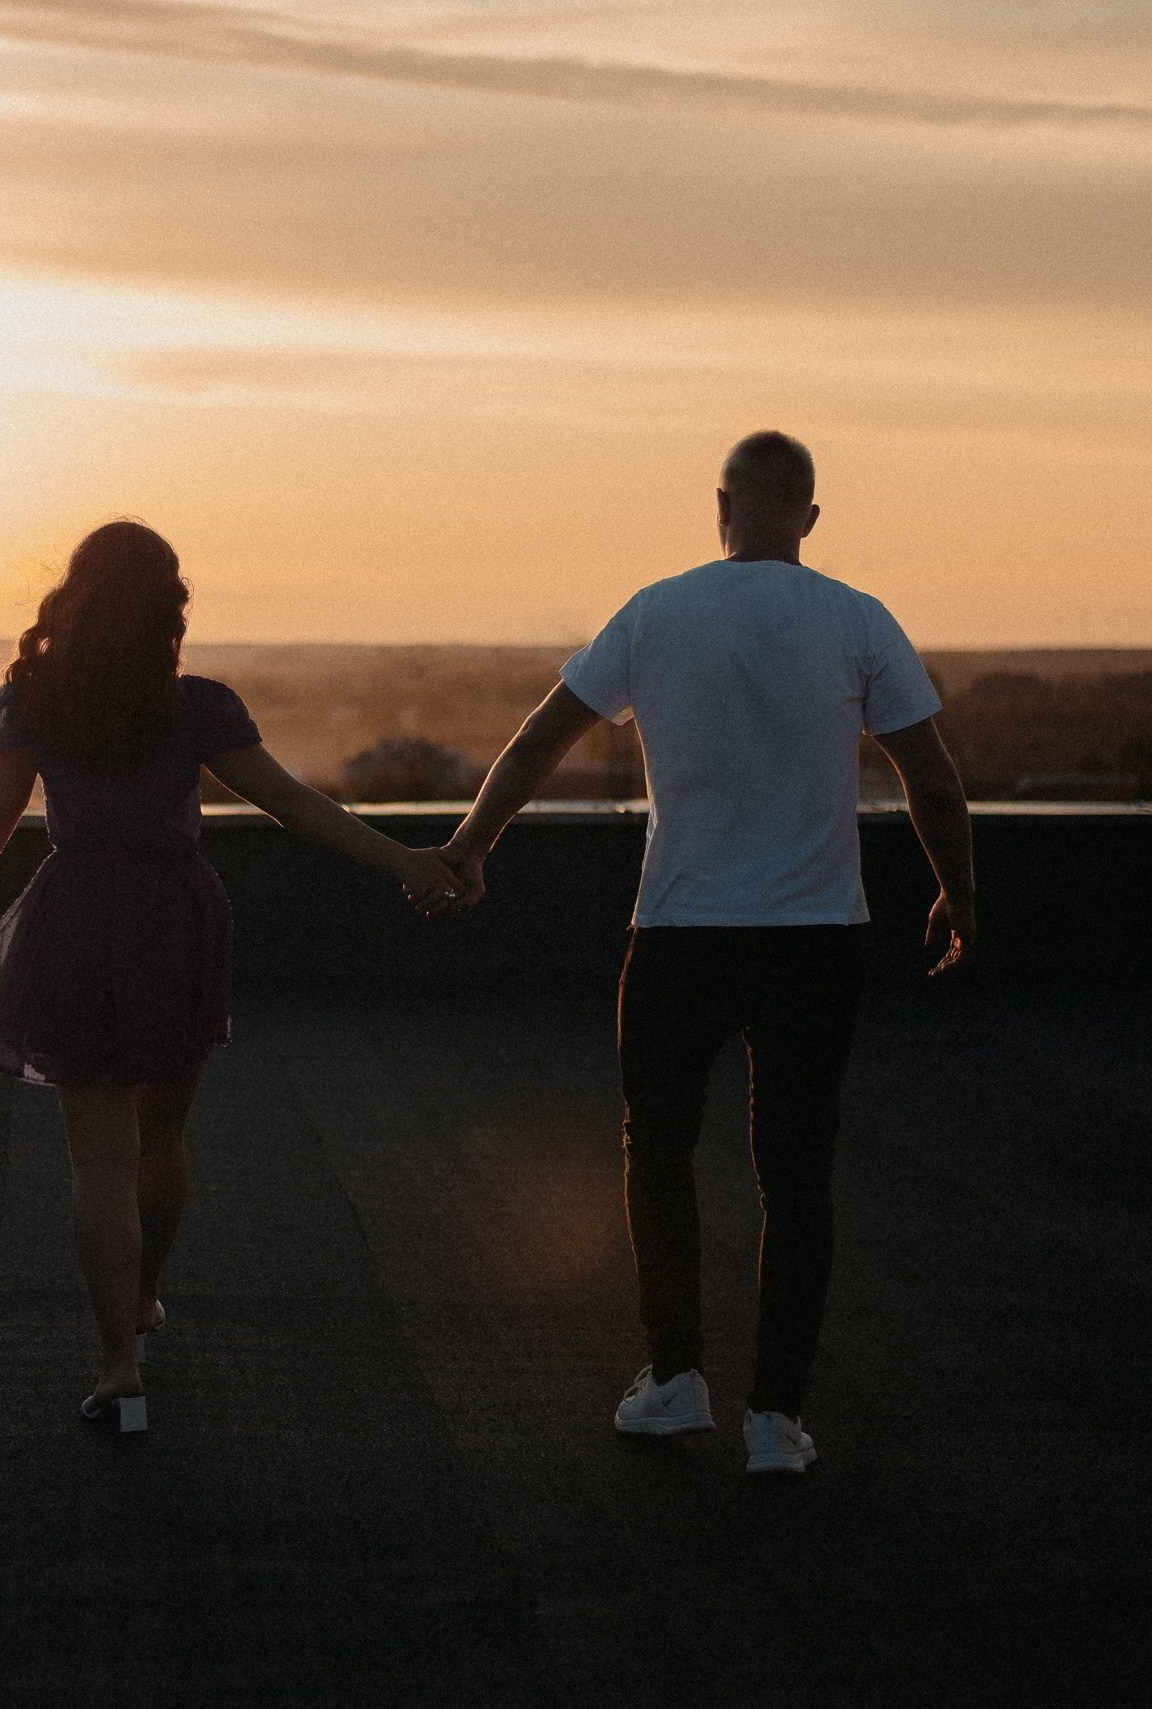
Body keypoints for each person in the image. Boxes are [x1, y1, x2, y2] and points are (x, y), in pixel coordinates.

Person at [437, 431, 976, 1475]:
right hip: (815, 939)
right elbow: (934, 780)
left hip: (679, 929)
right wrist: (959, 895)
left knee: (659, 1152)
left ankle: (674, 1378)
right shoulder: (858, 619)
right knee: (796, 1174)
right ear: (808, 516)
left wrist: (469, 845)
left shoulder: (655, 611)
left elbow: (539, 737)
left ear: (720, 505)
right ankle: (775, 1417)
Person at [0, 520, 464, 1435]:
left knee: (97, 1158)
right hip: (175, 920)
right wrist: (403, 859)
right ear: (169, 607)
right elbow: (289, 803)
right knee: (161, 1136)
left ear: (71, 602)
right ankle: (147, 1296)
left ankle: (120, 1361)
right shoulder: (196, 706)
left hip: (74, 917)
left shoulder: (35, 699)